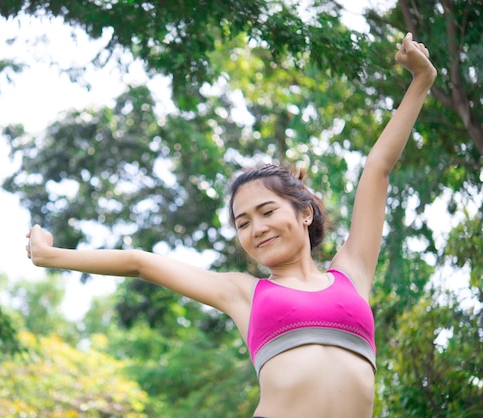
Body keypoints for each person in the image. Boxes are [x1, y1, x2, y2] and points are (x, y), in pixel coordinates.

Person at [26, 33, 436, 418]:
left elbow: (378, 168)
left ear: (304, 212)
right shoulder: (244, 292)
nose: (256, 228)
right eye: (243, 222)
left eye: (267, 211)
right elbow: (139, 263)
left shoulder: (352, 273)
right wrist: (50, 255)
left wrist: (421, 79)